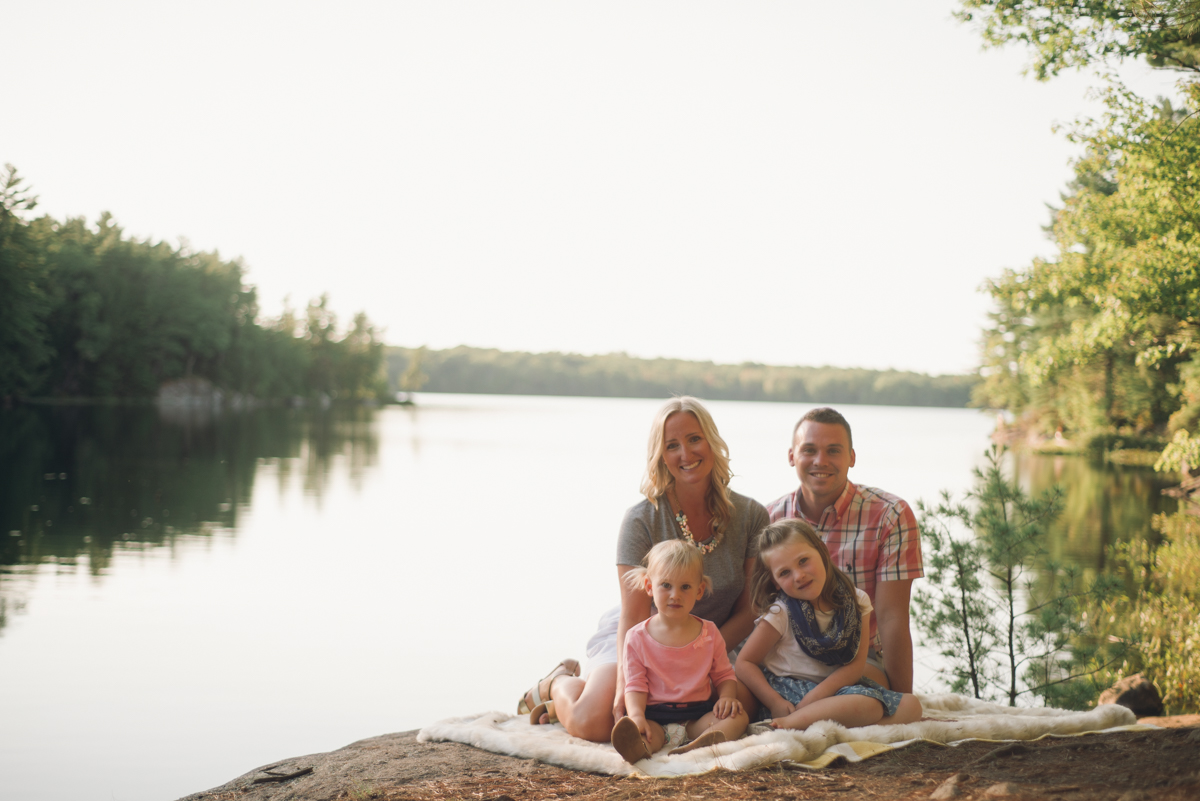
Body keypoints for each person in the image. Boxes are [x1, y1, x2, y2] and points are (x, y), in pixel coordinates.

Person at [517, 397, 769, 743]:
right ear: (660, 456)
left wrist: (696, 653)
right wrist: (625, 685)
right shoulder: (641, 520)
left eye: (694, 439)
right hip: (640, 638)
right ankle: (557, 683)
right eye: (672, 446)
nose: (686, 453)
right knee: (595, 722)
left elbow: (749, 608)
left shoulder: (751, 515)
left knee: (742, 709)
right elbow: (633, 614)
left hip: (715, 639)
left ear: (711, 441)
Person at [765, 407, 922, 693]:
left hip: (859, 660)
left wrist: (903, 700)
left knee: (862, 696)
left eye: (833, 451)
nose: (820, 461)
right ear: (792, 456)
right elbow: (758, 609)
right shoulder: (770, 520)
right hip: (787, 661)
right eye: (809, 450)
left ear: (851, 457)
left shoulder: (890, 515)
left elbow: (892, 617)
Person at [735, 519, 921, 729]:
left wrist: (818, 697)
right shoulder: (781, 612)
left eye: (803, 560)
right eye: (784, 573)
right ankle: (785, 724)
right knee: (870, 706)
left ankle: (823, 723)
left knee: (911, 705)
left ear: (822, 551)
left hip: (833, 688)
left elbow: (855, 666)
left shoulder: (857, 601)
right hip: (790, 691)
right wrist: (774, 702)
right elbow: (744, 663)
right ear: (775, 582)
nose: (799, 575)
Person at [610, 540, 748, 762]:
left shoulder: (709, 633)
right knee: (643, 733)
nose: (675, 595)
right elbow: (635, 684)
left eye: (685, 587)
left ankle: (699, 745)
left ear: (699, 590)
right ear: (648, 586)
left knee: (739, 718)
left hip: (697, 718)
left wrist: (727, 697)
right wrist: (636, 716)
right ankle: (639, 747)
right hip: (655, 718)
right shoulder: (636, 637)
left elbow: (724, 674)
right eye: (666, 585)